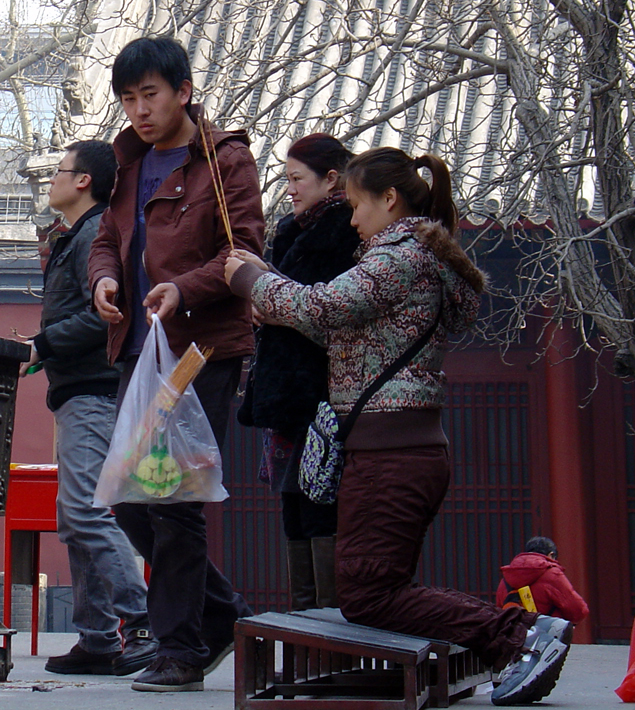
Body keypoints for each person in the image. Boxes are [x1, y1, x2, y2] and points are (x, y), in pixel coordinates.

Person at [226, 147, 573, 707]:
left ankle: (520, 635)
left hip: (391, 456)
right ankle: (511, 638)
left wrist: (249, 281)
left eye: (358, 206)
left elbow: (319, 308)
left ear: (389, 200)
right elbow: (340, 328)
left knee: (368, 595)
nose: (352, 219)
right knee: (379, 589)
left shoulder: (398, 257)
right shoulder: (419, 257)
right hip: (403, 450)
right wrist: (276, 291)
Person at [88, 36, 267, 693]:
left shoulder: (224, 162)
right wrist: (105, 281)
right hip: (137, 350)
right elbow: (106, 239)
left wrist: (182, 289)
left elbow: (244, 251)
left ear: (184, 92)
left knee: (173, 497)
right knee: (130, 496)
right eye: (128, 98)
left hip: (200, 351)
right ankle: (220, 617)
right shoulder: (125, 163)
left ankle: (180, 651)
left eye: (150, 95)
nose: (138, 109)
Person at [23, 140, 157, 677]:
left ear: (84, 182)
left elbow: (106, 315)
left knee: (86, 511)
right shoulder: (76, 237)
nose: (51, 180)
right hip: (79, 391)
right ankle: (97, 638)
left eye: (59, 171)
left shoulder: (95, 236)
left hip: (94, 391)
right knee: (75, 517)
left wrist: (43, 345)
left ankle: (141, 622)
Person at [236, 134, 360, 611]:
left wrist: (266, 288)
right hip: (285, 392)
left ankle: (328, 623)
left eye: (296, 179)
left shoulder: (343, 232)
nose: (288, 189)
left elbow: (320, 307)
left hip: (320, 391)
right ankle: (307, 619)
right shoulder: (290, 230)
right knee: (292, 507)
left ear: (331, 179)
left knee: (318, 505)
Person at [497, 537, 590, 625]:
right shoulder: (551, 574)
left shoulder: (508, 575)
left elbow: (499, 609)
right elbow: (578, 609)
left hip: (514, 636)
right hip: (545, 636)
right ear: (551, 555)